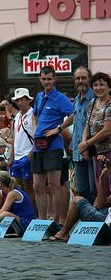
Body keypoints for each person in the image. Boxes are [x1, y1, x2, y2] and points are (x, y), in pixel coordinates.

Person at [46, 66, 95, 203]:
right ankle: (86, 222)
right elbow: (74, 117)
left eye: (83, 78)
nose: (80, 81)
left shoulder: (95, 99)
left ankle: (98, 223)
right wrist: (59, 128)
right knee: (81, 191)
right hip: (77, 153)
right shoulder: (77, 100)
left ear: (89, 79)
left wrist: (86, 145)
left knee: (94, 190)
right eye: (77, 78)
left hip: (92, 151)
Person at [32, 66, 73, 224]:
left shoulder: (60, 97)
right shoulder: (40, 96)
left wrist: (58, 129)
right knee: (37, 186)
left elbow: (73, 114)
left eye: (49, 79)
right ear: (40, 79)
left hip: (53, 146)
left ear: (54, 79)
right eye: (43, 79)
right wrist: (36, 128)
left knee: (54, 185)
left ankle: (55, 222)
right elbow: (35, 113)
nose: (46, 81)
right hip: (38, 146)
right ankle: (42, 221)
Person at [49, 156, 111, 242]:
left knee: (77, 201)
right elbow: (102, 204)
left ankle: (64, 233)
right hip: (106, 222)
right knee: (96, 201)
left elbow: (101, 204)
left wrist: (103, 178)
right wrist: (102, 179)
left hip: (107, 227)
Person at [78, 71, 111, 196]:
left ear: (109, 87)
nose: (98, 88)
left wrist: (87, 143)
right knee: (99, 187)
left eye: (102, 84)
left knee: (109, 186)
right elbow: (87, 125)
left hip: (109, 152)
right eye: (95, 85)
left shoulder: (110, 104)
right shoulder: (92, 103)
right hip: (97, 153)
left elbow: (107, 130)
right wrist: (83, 143)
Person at [8, 88, 37, 215]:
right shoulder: (17, 116)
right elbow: (15, 138)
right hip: (17, 157)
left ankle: (34, 214)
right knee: (17, 187)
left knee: (29, 186)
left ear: (27, 100)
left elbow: (36, 134)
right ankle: (24, 213)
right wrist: (11, 156)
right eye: (18, 100)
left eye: (22, 99)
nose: (20, 102)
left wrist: (32, 151)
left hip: (27, 155)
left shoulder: (33, 113)